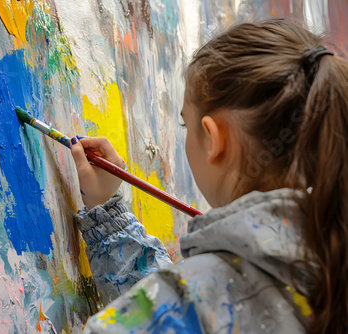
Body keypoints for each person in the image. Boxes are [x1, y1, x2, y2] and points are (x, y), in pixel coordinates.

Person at [69, 19, 348, 334]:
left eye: (186, 126)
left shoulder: (201, 302)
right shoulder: (330, 259)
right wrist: (109, 222)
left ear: (214, 139)